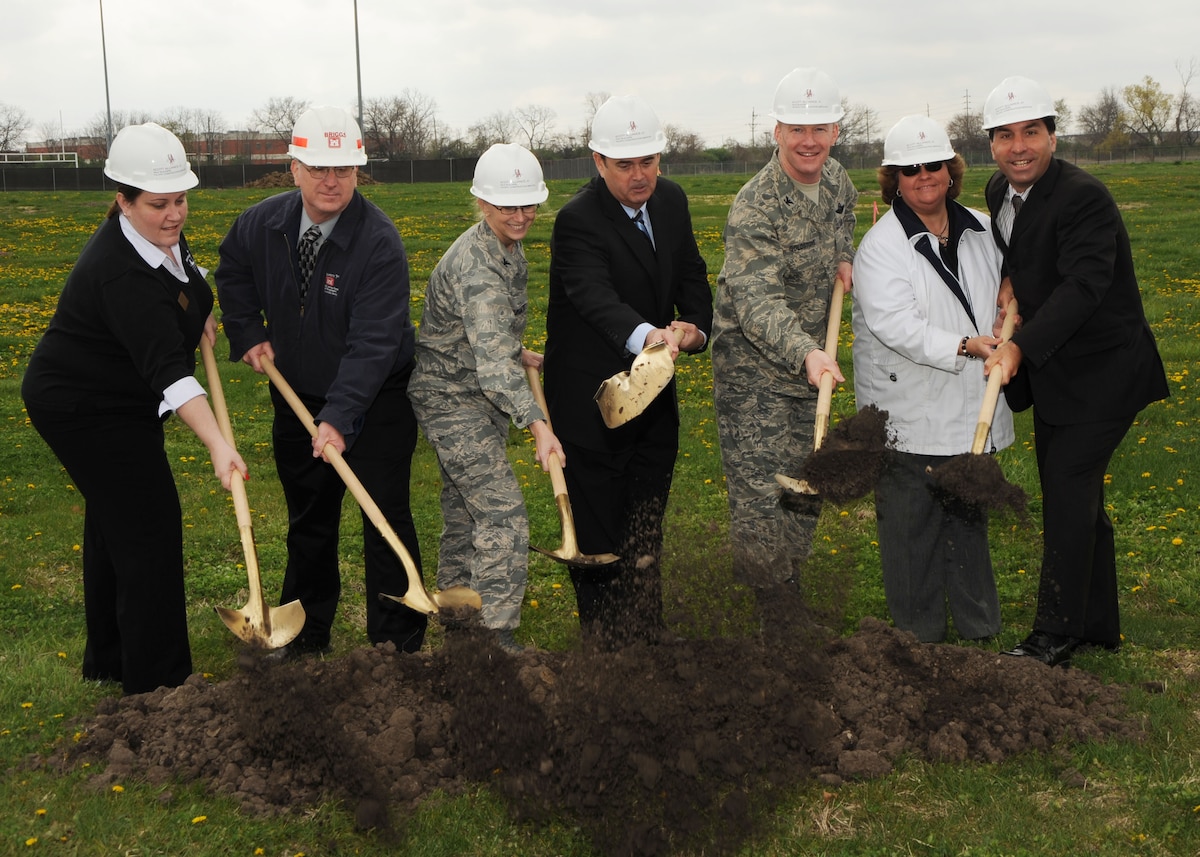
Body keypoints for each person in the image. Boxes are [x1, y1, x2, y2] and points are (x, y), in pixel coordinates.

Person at [21, 123, 247, 695]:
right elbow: (168, 373)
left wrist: (197, 312)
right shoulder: (119, 272)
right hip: (84, 406)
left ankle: (111, 657)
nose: (174, 215)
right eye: (158, 204)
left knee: (114, 518)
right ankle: (160, 686)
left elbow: (181, 279)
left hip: (118, 397)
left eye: (180, 200)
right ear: (122, 202)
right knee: (147, 528)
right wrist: (219, 444)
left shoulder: (157, 236)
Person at [216, 106, 428, 658]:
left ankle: (394, 645)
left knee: (384, 517)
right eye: (317, 169)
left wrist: (338, 416)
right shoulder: (261, 224)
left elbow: (374, 345)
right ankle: (304, 640)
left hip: (375, 398)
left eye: (343, 169)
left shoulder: (378, 242)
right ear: (293, 168)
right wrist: (245, 329)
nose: (330, 181)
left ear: (359, 171)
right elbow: (233, 268)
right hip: (296, 394)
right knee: (309, 521)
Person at [980, 76, 1169, 666]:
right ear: (991, 145)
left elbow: (1085, 285)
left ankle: (1053, 634)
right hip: (1060, 376)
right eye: (1006, 135)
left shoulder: (1084, 197)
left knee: (1066, 490)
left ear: (1053, 137)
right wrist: (1012, 280)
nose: (1019, 147)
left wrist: (1018, 348)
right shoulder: (997, 190)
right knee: (1075, 495)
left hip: (1105, 371)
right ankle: (1097, 625)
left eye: (1031, 132)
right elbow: (1026, 251)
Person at [544, 94, 713, 648]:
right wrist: (650, 336)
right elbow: (594, 296)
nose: (640, 176)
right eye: (625, 165)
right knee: (598, 531)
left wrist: (692, 327)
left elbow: (690, 271)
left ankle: (647, 630)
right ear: (598, 162)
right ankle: (604, 647)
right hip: (590, 398)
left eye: (648, 161)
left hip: (652, 397)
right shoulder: (577, 221)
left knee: (645, 520)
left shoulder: (670, 201)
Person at [851, 115, 1013, 643]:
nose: (925, 176)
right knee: (911, 529)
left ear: (951, 169)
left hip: (969, 407)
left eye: (934, 165)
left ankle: (978, 633)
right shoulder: (882, 246)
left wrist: (1009, 308)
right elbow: (896, 324)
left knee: (967, 523)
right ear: (893, 178)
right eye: (910, 168)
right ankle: (918, 643)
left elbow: (1004, 293)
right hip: (909, 412)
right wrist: (964, 345)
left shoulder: (982, 230)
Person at [408, 143, 563, 653]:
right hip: (452, 401)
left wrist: (517, 349)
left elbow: (484, 335)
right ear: (483, 204)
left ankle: (458, 630)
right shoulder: (479, 266)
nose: (520, 217)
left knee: (465, 511)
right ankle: (495, 640)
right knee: (501, 511)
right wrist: (538, 425)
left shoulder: (501, 247)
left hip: (471, 390)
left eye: (527, 205)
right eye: (506, 207)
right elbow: (493, 365)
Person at [710, 68, 857, 593]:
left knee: (804, 482)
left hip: (810, 368)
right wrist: (807, 353)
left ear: (837, 131)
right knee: (759, 496)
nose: (809, 141)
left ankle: (788, 584)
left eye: (820, 129)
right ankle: (774, 623)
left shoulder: (838, 180)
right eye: (797, 129)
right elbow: (756, 302)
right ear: (777, 131)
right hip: (755, 371)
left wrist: (844, 256)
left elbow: (846, 219)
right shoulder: (756, 205)